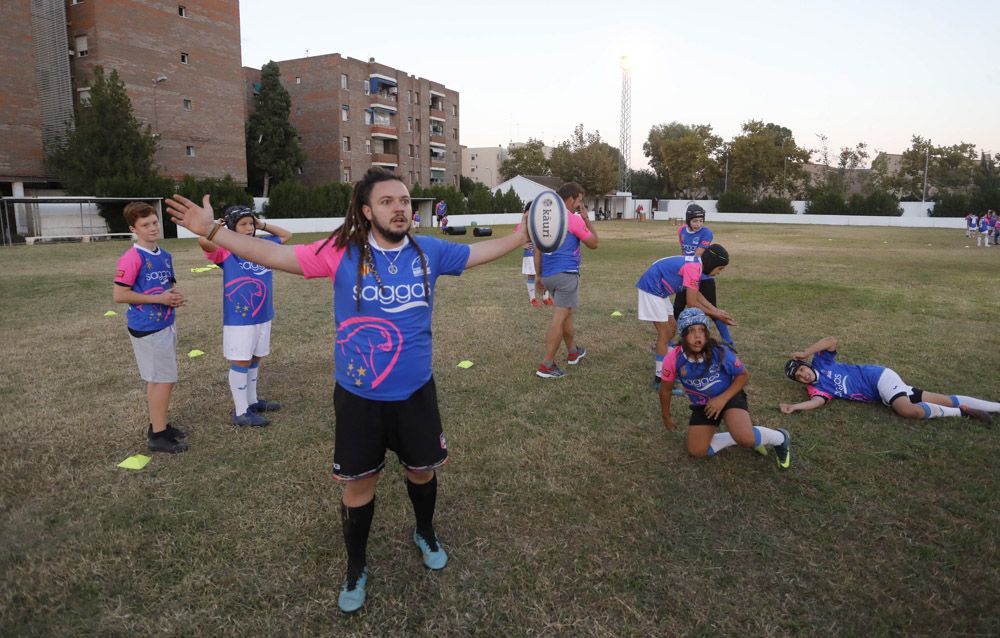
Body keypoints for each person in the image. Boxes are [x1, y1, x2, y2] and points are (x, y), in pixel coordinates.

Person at [166, 168, 529, 614]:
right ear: (365, 210)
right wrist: (215, 232)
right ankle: (356, 564)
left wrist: (520, 237)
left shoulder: (428, 252)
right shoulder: (341, 252)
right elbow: (275, 256)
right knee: (359, 486)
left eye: (404, 201)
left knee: (422, 471)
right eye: (387, 201)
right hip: (359, 398)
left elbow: (475, 253)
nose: (400, 208)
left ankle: (425, 531)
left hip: (416, 392)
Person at [659, 308, 792, 469]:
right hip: (703, 404)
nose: (697, 336)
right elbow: (665, 390)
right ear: (683, 334)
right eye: (691, 331)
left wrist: (722, 399)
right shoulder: (673, 359)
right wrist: (666, 416)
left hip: (729, 396)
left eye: (702, 330)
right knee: (697, 450)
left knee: (746, 439)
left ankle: (780, 437)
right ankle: (738, 435)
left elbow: (743, 375)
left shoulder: (720, 352)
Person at [198, 206, 292, 427]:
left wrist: (262, 225)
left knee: (256, 357)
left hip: (263, 313)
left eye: (251, 223)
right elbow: (204, 242)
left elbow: (286, 236)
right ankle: (241, 412)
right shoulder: (226, 251)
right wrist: (216, 229)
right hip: (240, 319)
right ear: (232, 227)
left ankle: (252, 401)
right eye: (243, 224)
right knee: (241, 359)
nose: (249, 228)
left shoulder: (263, 246)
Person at [781, 337, 996, 424]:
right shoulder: (817, 389)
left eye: (802, 369)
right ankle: (989, 407)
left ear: (806, 364)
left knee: (906, 410)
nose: (803, 375)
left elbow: (830, 340)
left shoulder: (821, 362)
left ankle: (962, 412)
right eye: (799, 377)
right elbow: (817, 401)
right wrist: (795, 406)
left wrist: (805, 352)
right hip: (883, 393)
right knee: (945, 400)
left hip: (878, 378)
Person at [113, 201, 187, 453]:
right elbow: (120, 295)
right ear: (133, 228)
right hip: (147, 327)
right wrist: (159, 299)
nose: (153, 228)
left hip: (166, 324)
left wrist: (174, 296)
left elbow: (168, 285)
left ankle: (160, 425)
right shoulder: (132, 257)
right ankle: (158, 436)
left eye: (155, 222)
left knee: (162, 379)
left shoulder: (165, 255)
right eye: (145, 225)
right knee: (162, 380)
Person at [636, 245, 735, 391]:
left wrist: (715, 310)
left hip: (660, 291)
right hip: (651, 288)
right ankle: (660, 380)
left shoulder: (697, 267)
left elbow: (696, 294)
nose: (719, 272)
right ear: (712, 264)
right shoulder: (694, 268)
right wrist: (716, 314)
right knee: (664, 334)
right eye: (720, 268)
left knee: (672, 329)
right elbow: (692, 303)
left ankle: (669, 370)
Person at [534, 182, 599, 378]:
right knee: (560, 316)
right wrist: (586, 218)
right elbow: (594, 243)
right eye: (579, 201)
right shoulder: (573, 219)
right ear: (571, 198)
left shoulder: (545, 218)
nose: (580, 205)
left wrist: (538, 276)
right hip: (566, 274)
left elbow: (537, 248)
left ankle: (572, 352)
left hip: (549, 275)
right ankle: (546, 364)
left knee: (567, 312)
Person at [676, 204, 735, 349]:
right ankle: (675, 339)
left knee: (713, 310)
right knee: (677, 309)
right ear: (688, 220)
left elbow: (698, 255)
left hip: (704, 277)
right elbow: (683, 251)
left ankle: (728, 341)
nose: (698, 224)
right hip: (686, 275)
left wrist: (689, 268)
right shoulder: (681, 231)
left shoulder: (707, 233)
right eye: (695, 221)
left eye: (701, 221)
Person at [519, 202, 552, 307]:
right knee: (531, 275)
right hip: (530, 253)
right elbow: (517, 235)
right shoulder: (524, 223)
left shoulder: (542, 221)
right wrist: (523, 244)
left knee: (545, 274)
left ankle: (545, 297)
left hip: (543, 252)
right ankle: (532, 299)